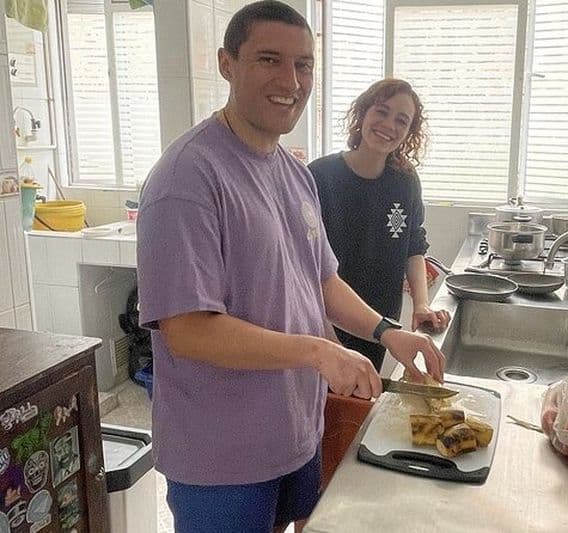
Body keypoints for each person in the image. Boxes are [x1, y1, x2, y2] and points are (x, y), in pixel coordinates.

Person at [135, 3, 445, 532]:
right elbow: (186, 331)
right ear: (226, 64)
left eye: (303, 65)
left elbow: (321, 281)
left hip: (296, 432)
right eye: (269, 60)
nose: (290, 80)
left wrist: (389, 331)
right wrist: (318, 351)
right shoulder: (187, 177)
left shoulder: (293, 174)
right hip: (223, 457)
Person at [309, 79, 451, 372]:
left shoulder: (405, 180)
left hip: (381, 322)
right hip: (324, 320)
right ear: (363, 112)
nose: (389, 125)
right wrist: (325, 333)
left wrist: (421, 305)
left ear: (409, 133)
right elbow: (302, 264)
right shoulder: (319, 176)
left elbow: (414, 246)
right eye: (382, 111)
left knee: (360, 406)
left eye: (402, 120)